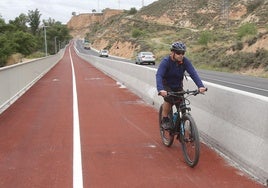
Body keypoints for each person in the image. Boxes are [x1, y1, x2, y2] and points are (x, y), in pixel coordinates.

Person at [156, 41, 206, 130]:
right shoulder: (166, 62)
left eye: (183, 53)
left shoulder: (185, 61)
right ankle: (165, 119)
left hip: (178, 86)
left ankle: (181, 129)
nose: (181, 55)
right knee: (169, 100)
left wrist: (200, 86)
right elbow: (159, 75)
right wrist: (160, 89)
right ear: (172, 53)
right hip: (166, 86)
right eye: (178, 53)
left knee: (182, 107)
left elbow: (193, 73)